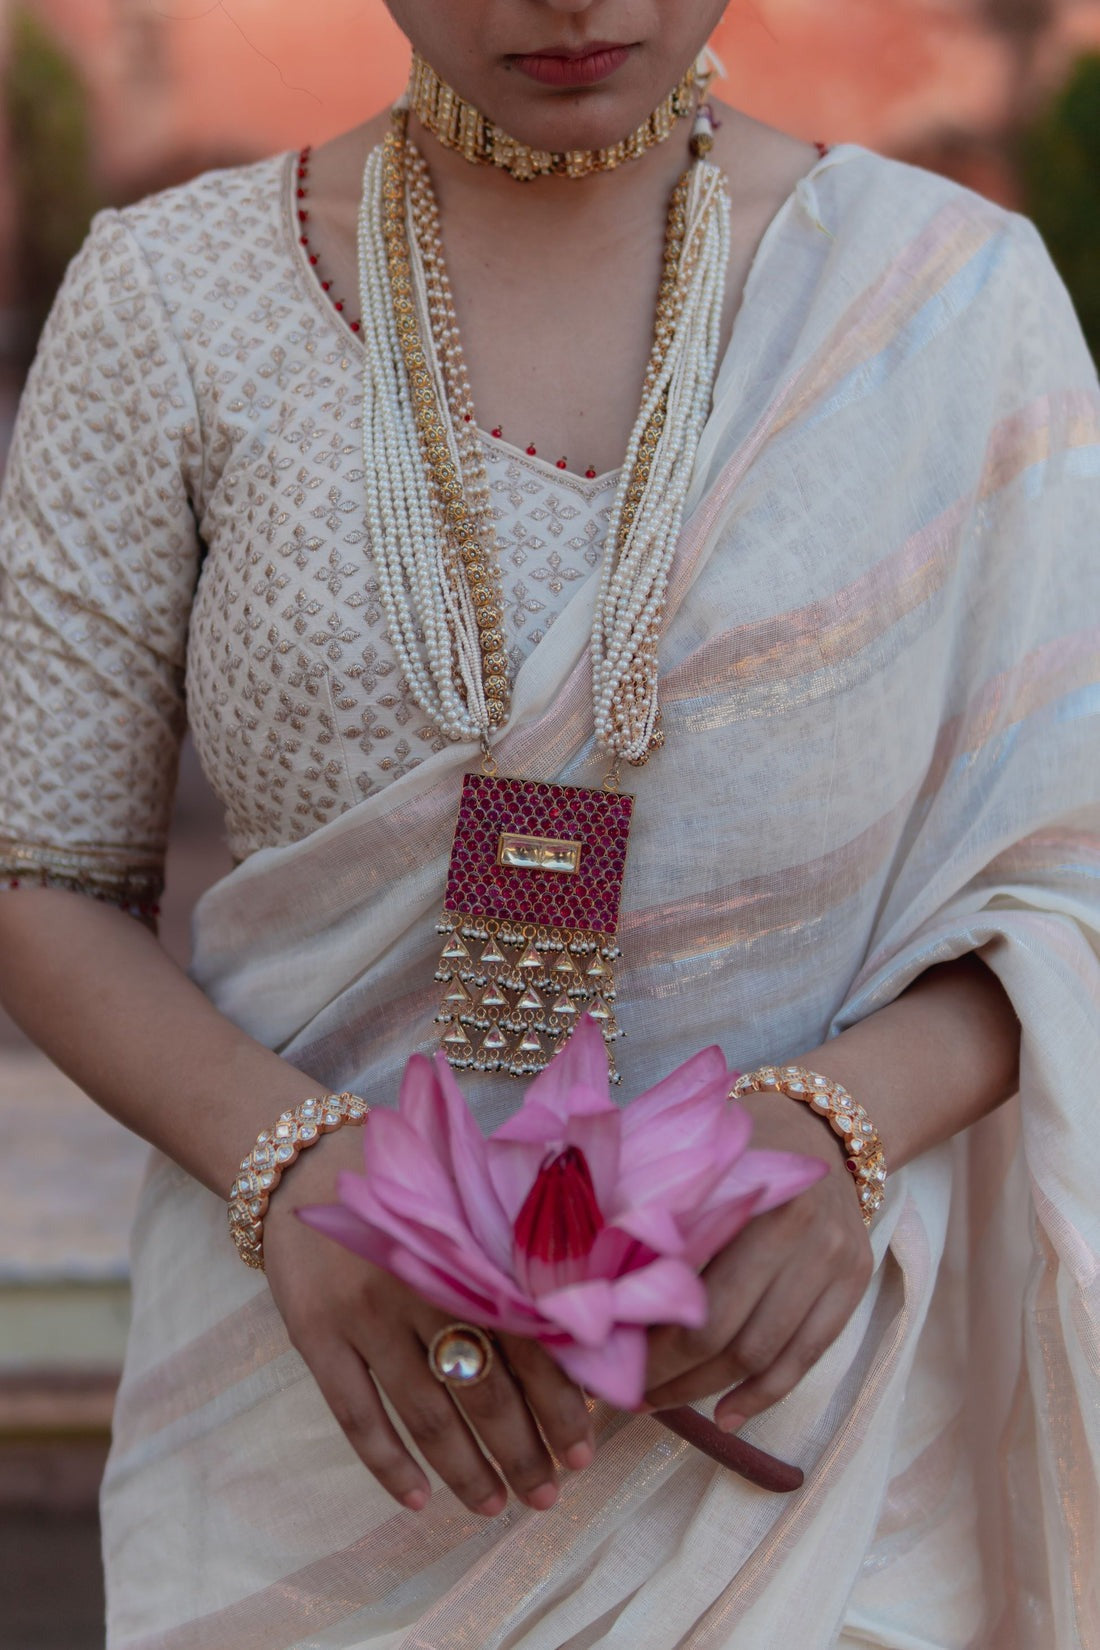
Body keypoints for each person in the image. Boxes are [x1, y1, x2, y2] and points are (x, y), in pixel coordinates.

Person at [0, 2, 1097, 1645]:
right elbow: (41, 875)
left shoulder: (953, 302)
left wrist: (842, 1127)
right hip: (327, 1435)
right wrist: (292, 1173)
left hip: (823, 1444)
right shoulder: (170, 300)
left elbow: (1069, 854)